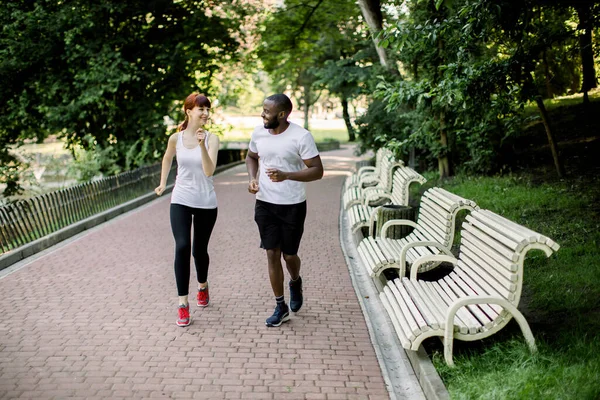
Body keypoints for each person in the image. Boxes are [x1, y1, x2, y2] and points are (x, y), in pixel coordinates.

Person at [246, 93, 324, 327]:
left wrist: (287, 175)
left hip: (292, 205)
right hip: (265, 204)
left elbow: (317, 170)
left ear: (281, 114)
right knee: (272, 253)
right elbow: (251, 156)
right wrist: (252, 178)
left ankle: (295, 281)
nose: (262, 114)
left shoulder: (301, 136)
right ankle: (280, 306)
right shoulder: (259, 133)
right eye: (262, 109)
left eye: (267, 111)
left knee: (289, 255)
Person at [155, 93, 219, 327]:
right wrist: (163, 182)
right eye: (200, 109)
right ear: (188, 111)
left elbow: (209, 170)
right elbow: (167, 158)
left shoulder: (212, 139)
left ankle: (202, 285)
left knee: (199, 251)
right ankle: (183, 304)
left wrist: (202, 145)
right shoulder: (176, 138)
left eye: (207, 109)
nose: (204, 113)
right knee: (182, 246)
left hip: (205, 201)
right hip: (180, 198)